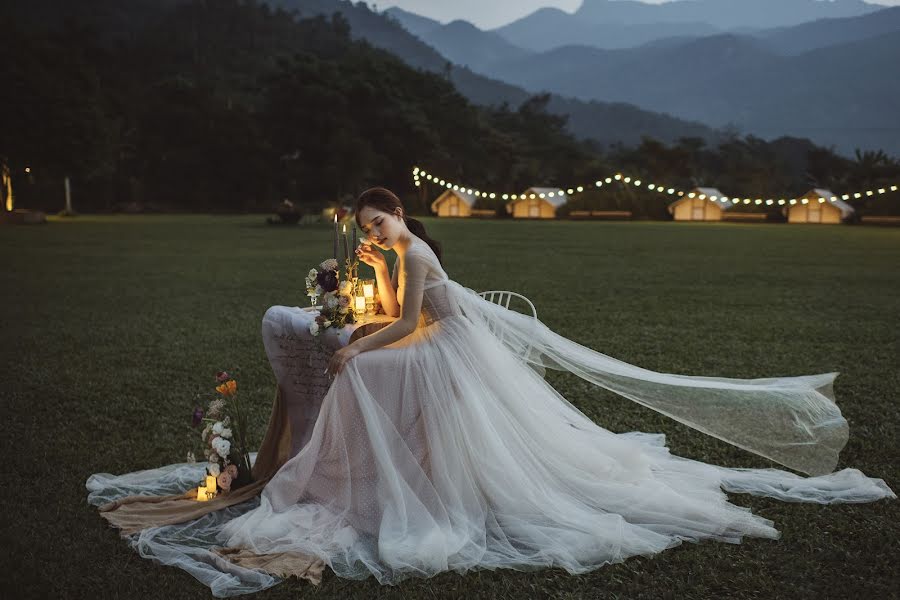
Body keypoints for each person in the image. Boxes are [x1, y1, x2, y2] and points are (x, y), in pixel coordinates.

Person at [87, 187, 895, 597]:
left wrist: (357, 347)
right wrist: (357, 335)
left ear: (396, 215)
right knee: (353, 359)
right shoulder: (388, 256)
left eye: (378, 222)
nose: (371, 234)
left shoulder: (410, 254)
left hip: (445, 353)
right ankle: (339, 457)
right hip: (427, 341)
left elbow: (406, 327)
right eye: (364, 227)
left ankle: (356, 470)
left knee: (362, 367)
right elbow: (392, 319)